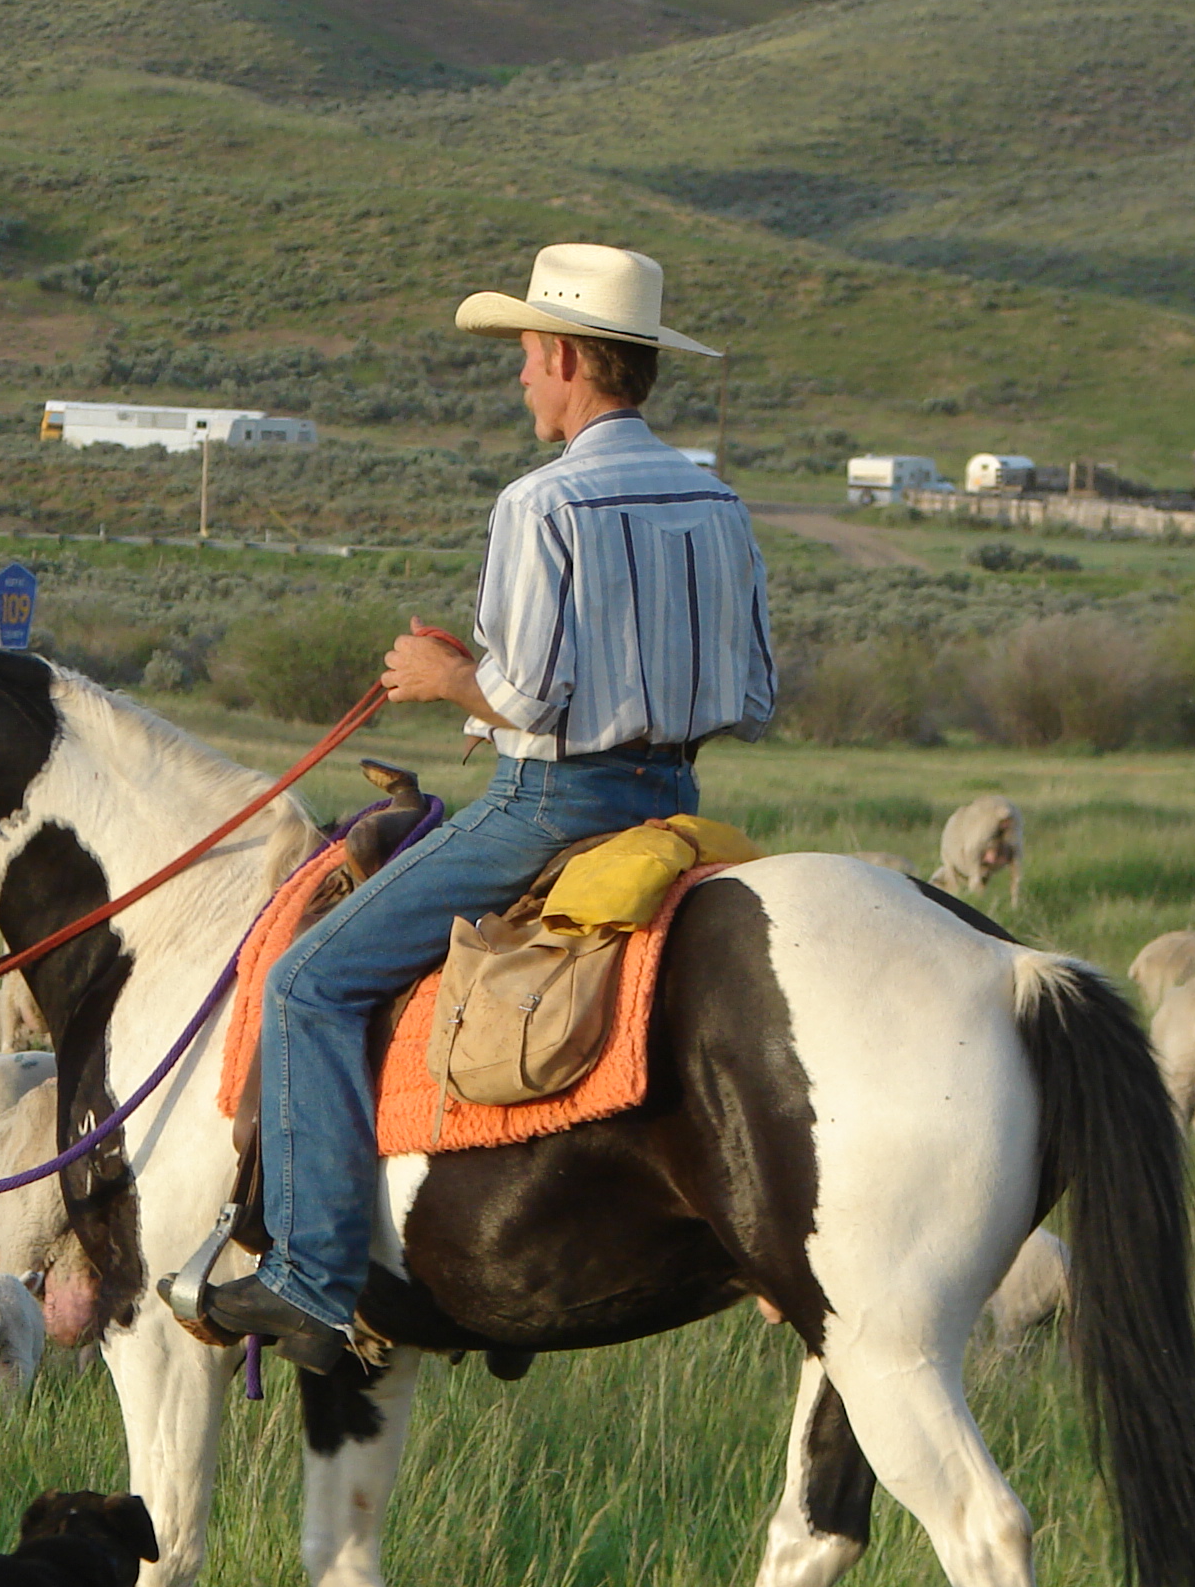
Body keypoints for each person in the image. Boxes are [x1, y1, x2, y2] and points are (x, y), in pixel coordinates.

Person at [189, 243, 777, 1375]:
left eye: (523, 357)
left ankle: (308, 1277)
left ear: (562, 356)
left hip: (551, 808)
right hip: (674, 800)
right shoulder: (715, 499)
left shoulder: (539, 502)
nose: (518, 378)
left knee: (306, 981)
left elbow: (523, 697)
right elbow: (750, 697)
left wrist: (440, 679)